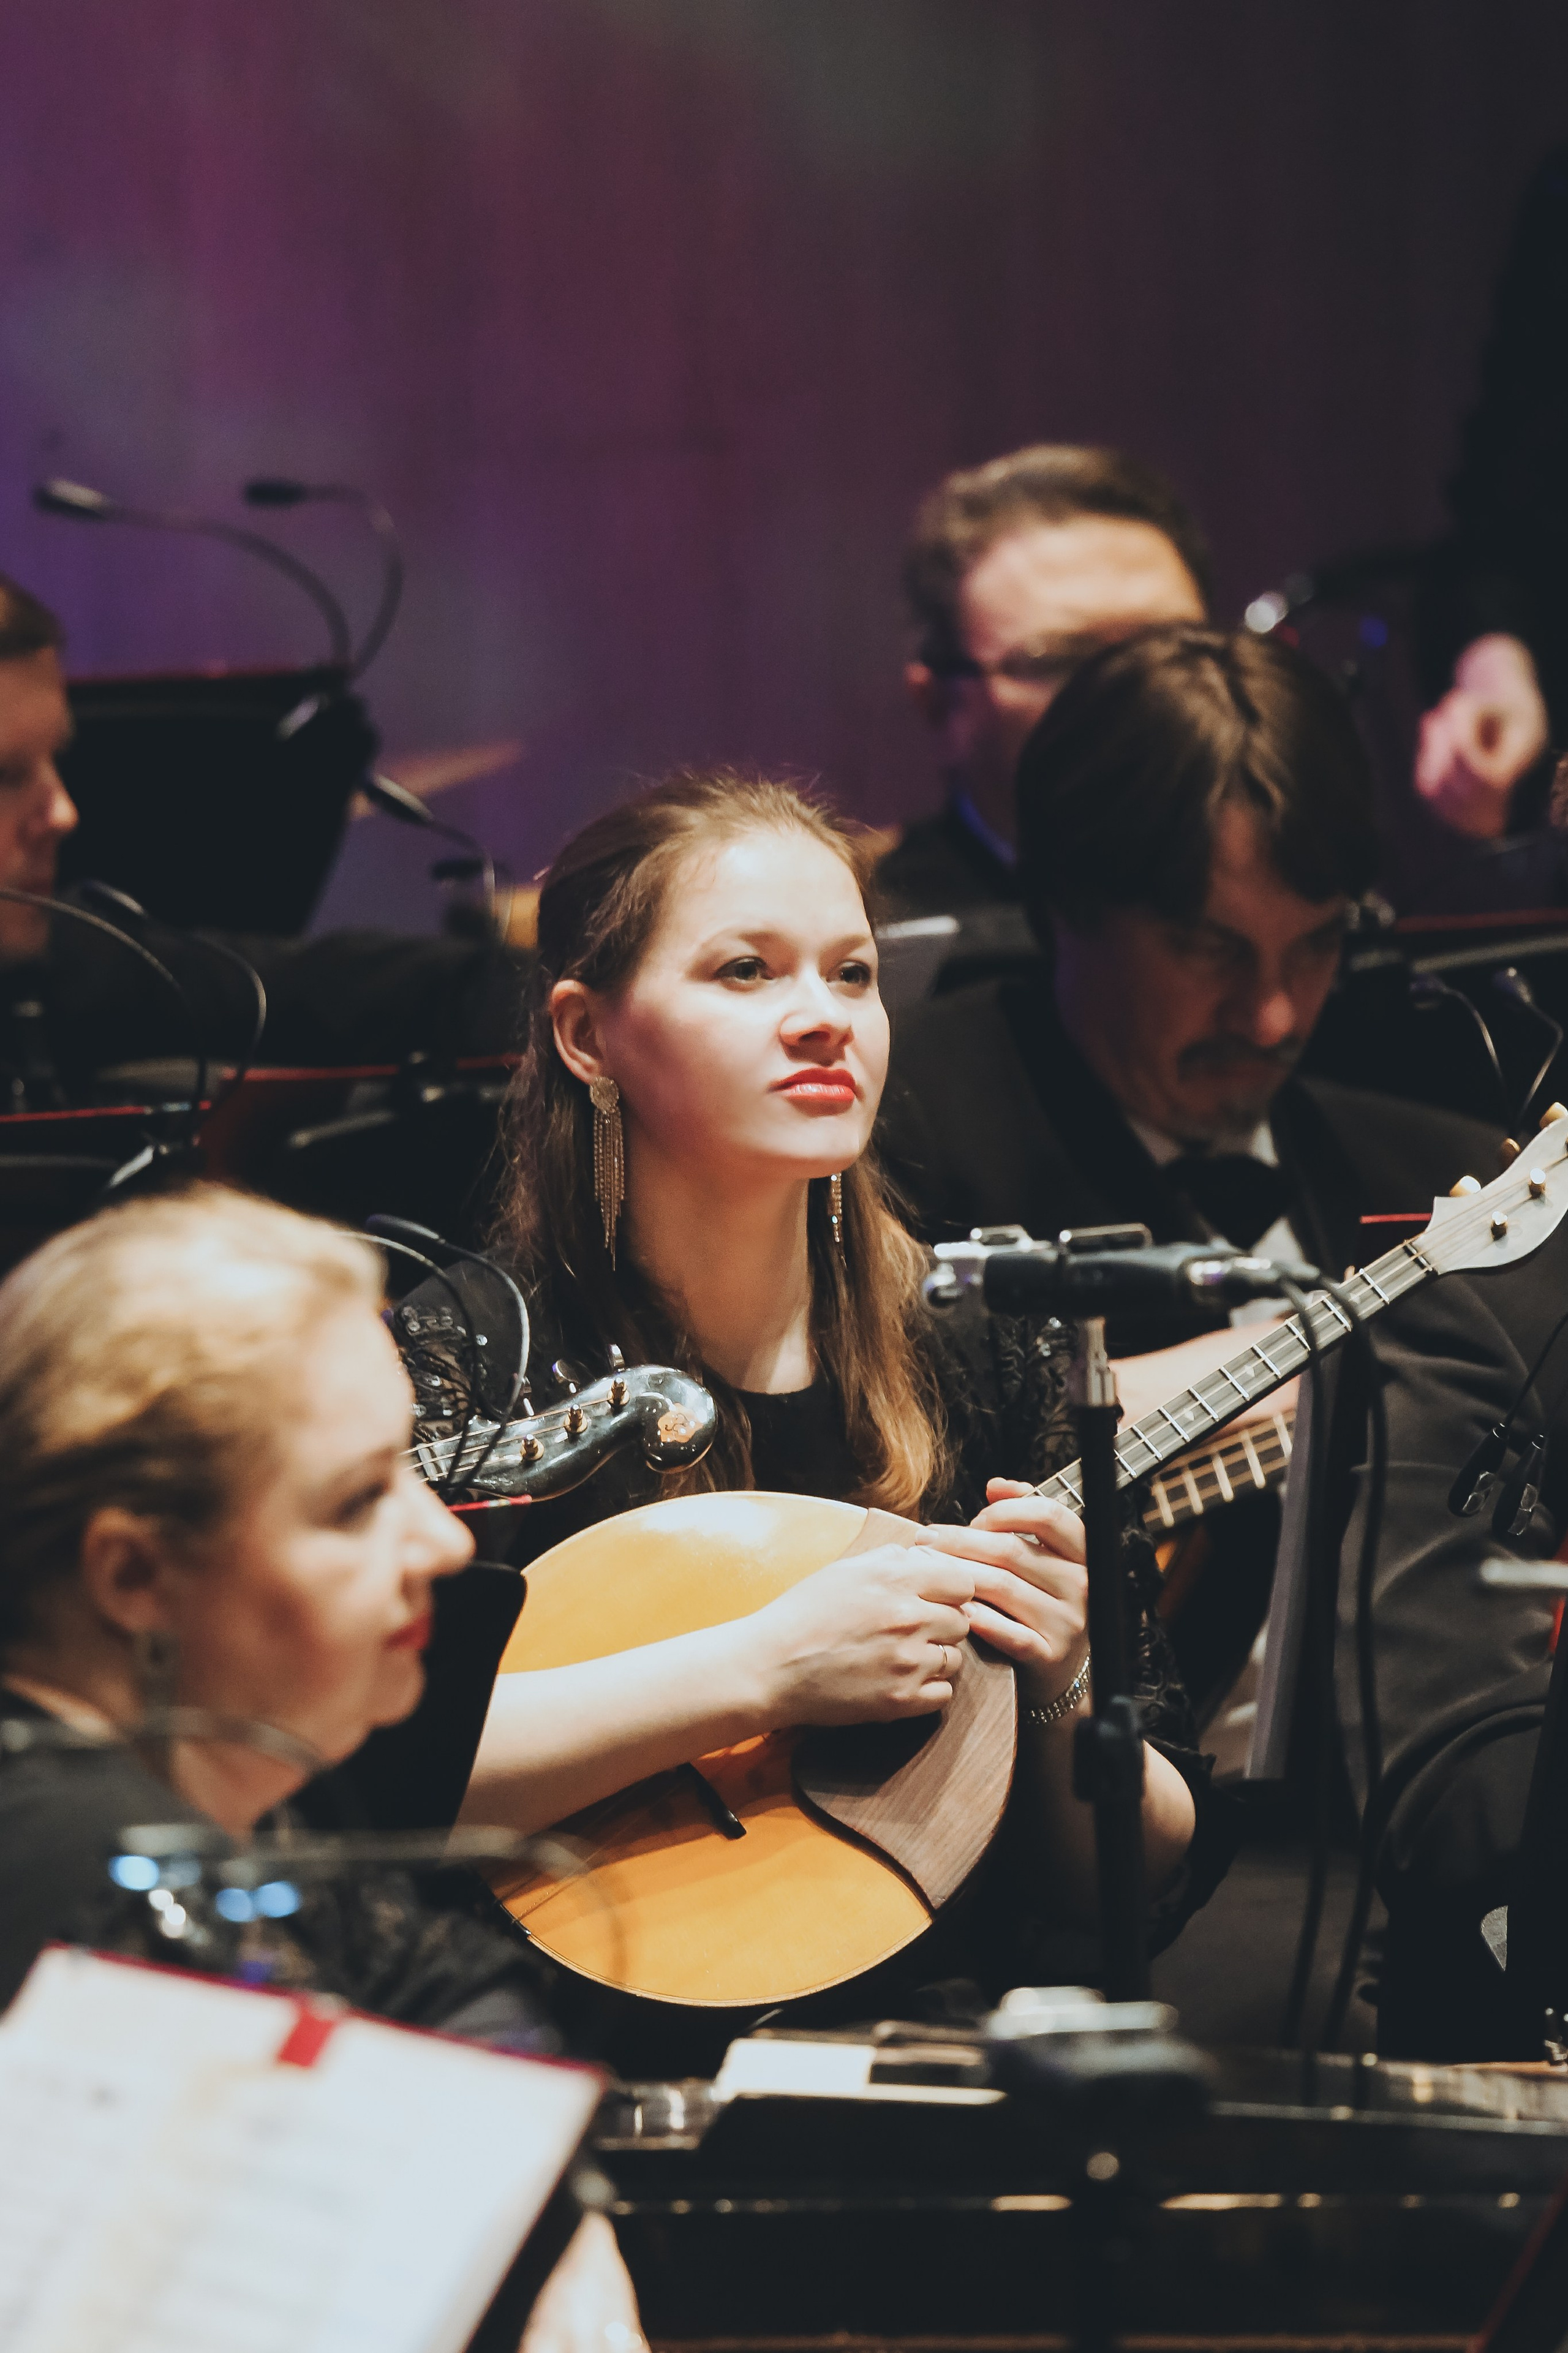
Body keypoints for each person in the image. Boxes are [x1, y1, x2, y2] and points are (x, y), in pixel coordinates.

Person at [432, 769, 1231, 2077]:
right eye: (746, 973)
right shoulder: (473, 1364)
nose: (823, 1021)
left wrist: (1063, 1680)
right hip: (561, 2063)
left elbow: (1141, 1874)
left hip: (940, 2061)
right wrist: (761, 1670)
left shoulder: (984, 1358)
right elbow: (363, 1770)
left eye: (851, 975)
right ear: (585, 1034)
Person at [0, 1182, 641, 2349]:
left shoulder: (220, 1801)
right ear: (135, 1577)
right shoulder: (95, 1889)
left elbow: (441, 1981)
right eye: (357, 1502)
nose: (443, 1540)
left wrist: (565, 2236)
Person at [0, 568, 529, 1109]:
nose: (64, 814)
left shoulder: (65, 959)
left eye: (56, 761)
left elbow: (321, 989)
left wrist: (562, 995)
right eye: (7, 776)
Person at [874, 444, 1210, 920]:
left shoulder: (1313, 891)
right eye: (1060, 662)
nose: (1135, 693)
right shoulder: (862, 936)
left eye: (1174, 647)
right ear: (938, 705)